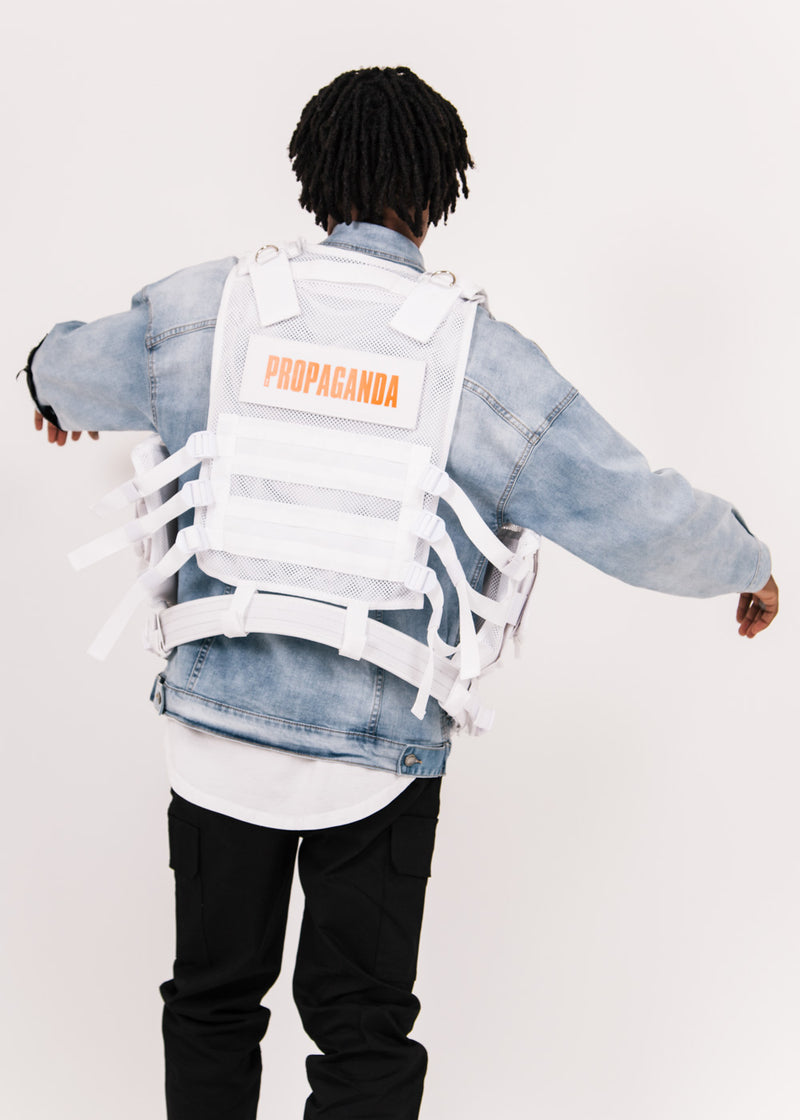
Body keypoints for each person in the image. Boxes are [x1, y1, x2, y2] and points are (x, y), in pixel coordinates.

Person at [24, 66, 778, 1120]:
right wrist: (743, 562)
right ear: (435, 195)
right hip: (377, 753)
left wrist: (47, 386)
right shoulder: (481, 362)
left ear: (312, 179)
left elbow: (66, 370)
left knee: (210, 1005)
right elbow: (628, 509)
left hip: (216, 728)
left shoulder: (207, 311)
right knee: (362, 1032)